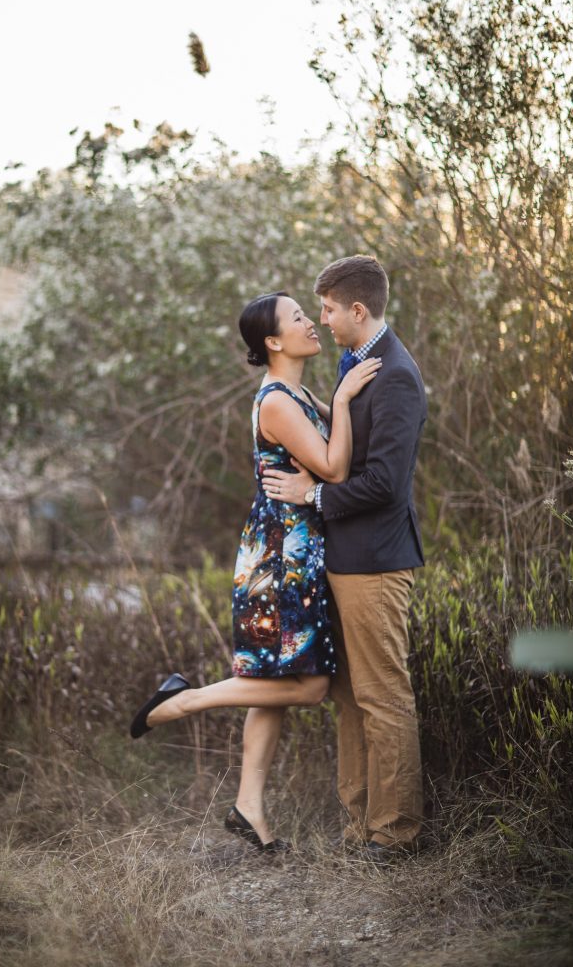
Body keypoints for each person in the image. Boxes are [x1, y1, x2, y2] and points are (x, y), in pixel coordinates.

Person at [130, 291, 380, 853]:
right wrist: (342, 404)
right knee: (310, 688)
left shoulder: (297, 392)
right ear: (272, 341)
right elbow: (335, 467)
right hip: (280, 557)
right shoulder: (277, 402)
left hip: (290, 550)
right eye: (297, 318)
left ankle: (248, 807)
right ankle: (182, 702)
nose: (311, 324)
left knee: (270, 685)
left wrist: (334, 401)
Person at [262, 256, 427, 863]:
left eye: (327, 310)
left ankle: (397, 832)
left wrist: (315, 494)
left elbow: (385, 482)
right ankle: (359, 824)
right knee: (349, 696)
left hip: (378, 562)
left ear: (358, 310)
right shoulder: (356, 363)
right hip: (345, 558)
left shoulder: (398, 378)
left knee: (384, 695)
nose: (323, 320)